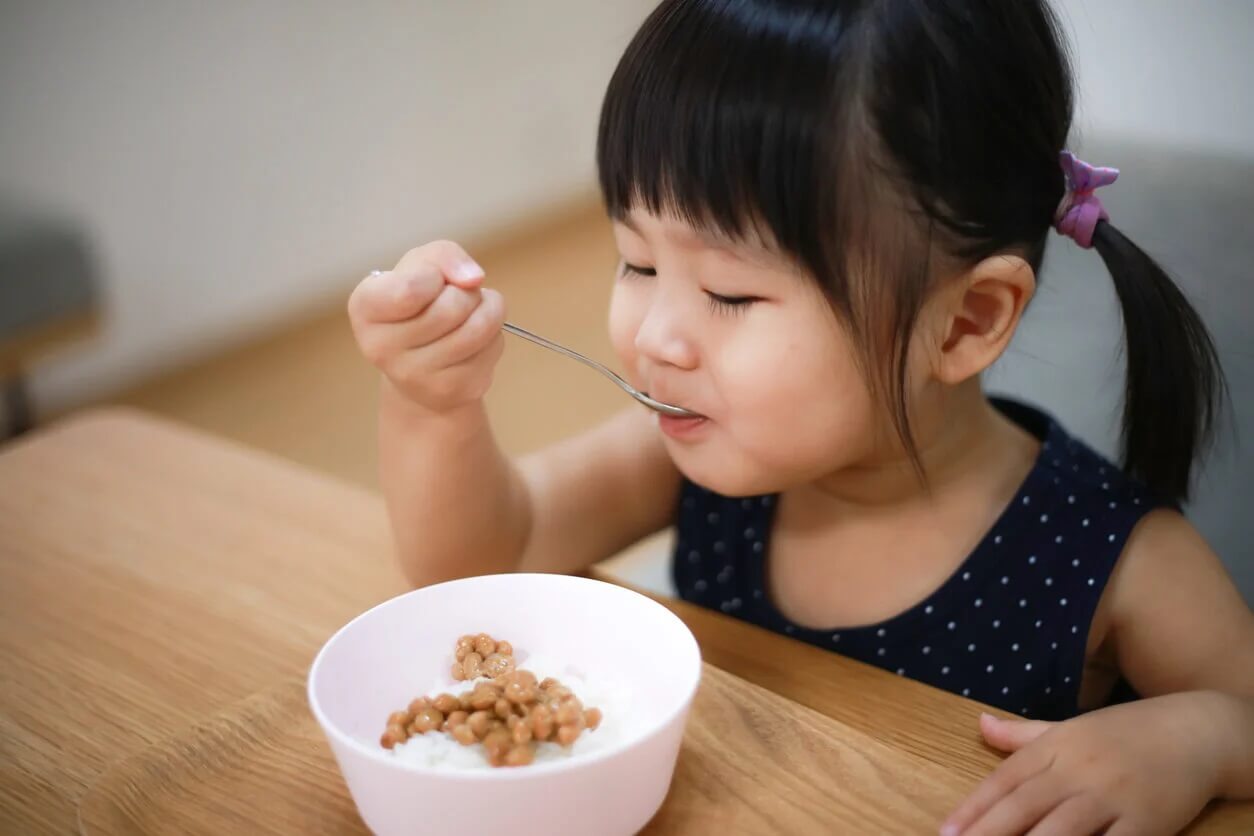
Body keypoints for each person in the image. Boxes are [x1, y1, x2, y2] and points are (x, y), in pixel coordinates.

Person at [348, 2, 1254, 832]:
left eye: (731, 293)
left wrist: (1203, 737)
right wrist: (435, 404)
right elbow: (480, 561)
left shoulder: (1113, 561)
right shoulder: (692, 449)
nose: (656, 335)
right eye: (637, 260)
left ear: (967, 321)